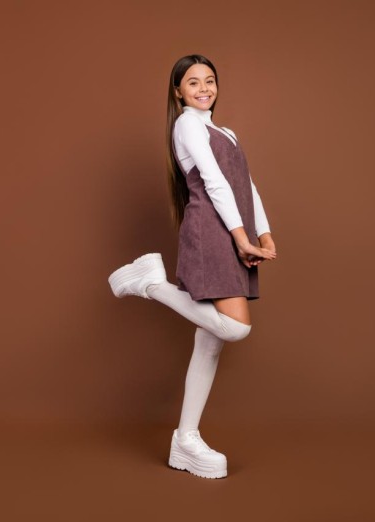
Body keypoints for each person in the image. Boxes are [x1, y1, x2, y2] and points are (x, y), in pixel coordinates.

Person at [108, 54, 276, 479]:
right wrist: (241, 237)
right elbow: (215, 182)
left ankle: (186, 439)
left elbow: (246, 185)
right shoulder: (187, 124)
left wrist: (264, 232)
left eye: (210, 80)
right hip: (211, 231)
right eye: (193, 82)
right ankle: (153, 284)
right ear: (178, 91)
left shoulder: (227, 131)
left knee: (210, 341)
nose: (204, 88)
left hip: (232, 230)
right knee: (234, 327)